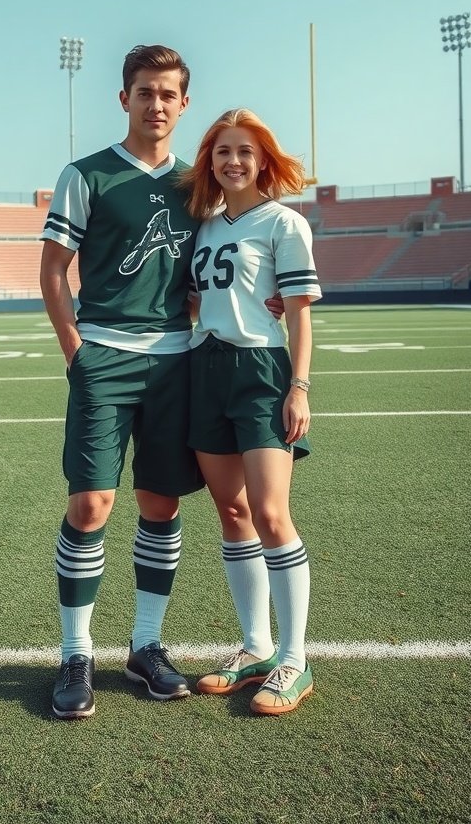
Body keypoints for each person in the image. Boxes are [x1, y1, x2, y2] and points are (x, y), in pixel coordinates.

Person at [40, 44, 205, 718]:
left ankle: (145, 646)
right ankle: (75, 652)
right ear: (124, 98)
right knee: (91, 505)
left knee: (161, 503)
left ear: (183, 103)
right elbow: (53, 270)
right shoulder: (87, 175)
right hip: (104, 356)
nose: (156, 104)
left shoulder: (199, 185)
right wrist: (75, 351)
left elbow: (214, 270)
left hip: (175, 362)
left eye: (168, 94)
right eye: (145, 92)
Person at [181, 108, 322, 715]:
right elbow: (198, 300)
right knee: (232, 510)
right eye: (222, 152)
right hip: (205, 369)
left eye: (244, 151)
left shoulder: (284, 223)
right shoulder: (204, 226)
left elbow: (300, 314)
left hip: (261, 372)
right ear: (209, 162)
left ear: (263, 159)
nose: (233, 161)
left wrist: (299, 387)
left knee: (269, 511)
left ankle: (294, 657)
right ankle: (257, 646)